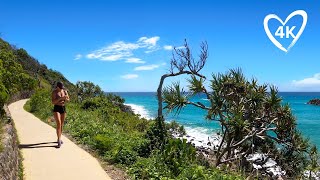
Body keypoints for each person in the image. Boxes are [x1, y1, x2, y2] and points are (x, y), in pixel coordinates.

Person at [51, 81, 70, 148]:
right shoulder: (54, 92)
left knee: (61, 124)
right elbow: (53, 102)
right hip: (56, 108)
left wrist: (65, 98)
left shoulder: (64, 91)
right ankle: (59, 140)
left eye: (62, 87)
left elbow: (68, 100)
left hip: (63, 108)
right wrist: (60, 98)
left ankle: (59, 137)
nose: (62, 88)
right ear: (58, 86)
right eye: (61, 87)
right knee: (58, 123)